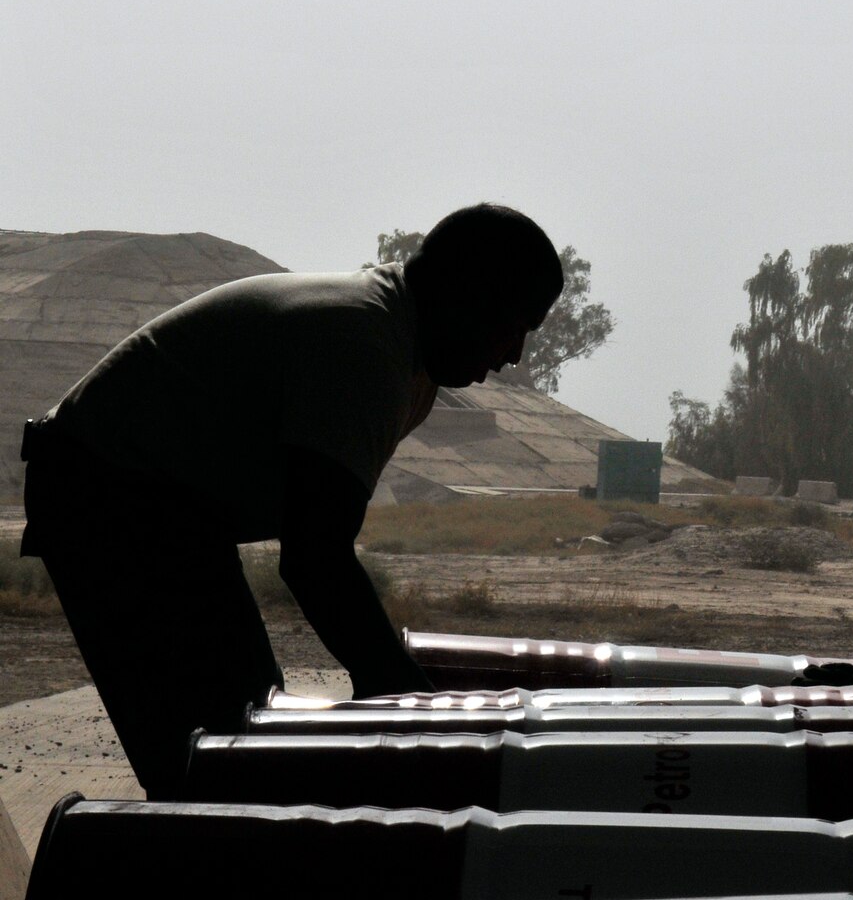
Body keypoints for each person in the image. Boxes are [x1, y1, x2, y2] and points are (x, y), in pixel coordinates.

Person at [18, 203, 564, 798]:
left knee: (243, 725)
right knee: (215, 753)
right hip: (108, 492)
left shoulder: (405, 352)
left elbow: (316, 546)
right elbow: (315, 558)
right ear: (466, 296)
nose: (514, 355)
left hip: (168, 508)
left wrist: (401, 694)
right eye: (514, 326)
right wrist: (412, 705)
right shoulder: (366, 346)